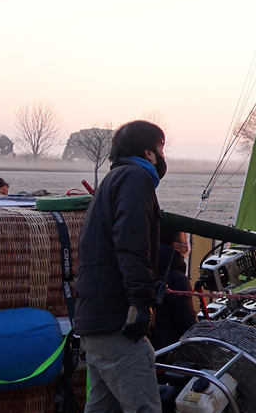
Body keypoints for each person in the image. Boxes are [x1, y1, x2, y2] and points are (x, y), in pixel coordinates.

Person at [73, 120, 168, 413]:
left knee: (103, 407)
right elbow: (131, 244)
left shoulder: (112, 181)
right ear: (148, 151)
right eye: (161, 148)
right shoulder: (134, 179)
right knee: (144, 408)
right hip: (117, 321)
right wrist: (140, 302)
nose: (164, 156)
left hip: (95, 319)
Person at [149, 229, 197, 350]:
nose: (187, 243)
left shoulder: (146, 269)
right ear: (175, 246)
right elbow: (188, 327)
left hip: (147, 348)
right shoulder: (177, 279)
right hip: (168, 353)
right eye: (185, 238)